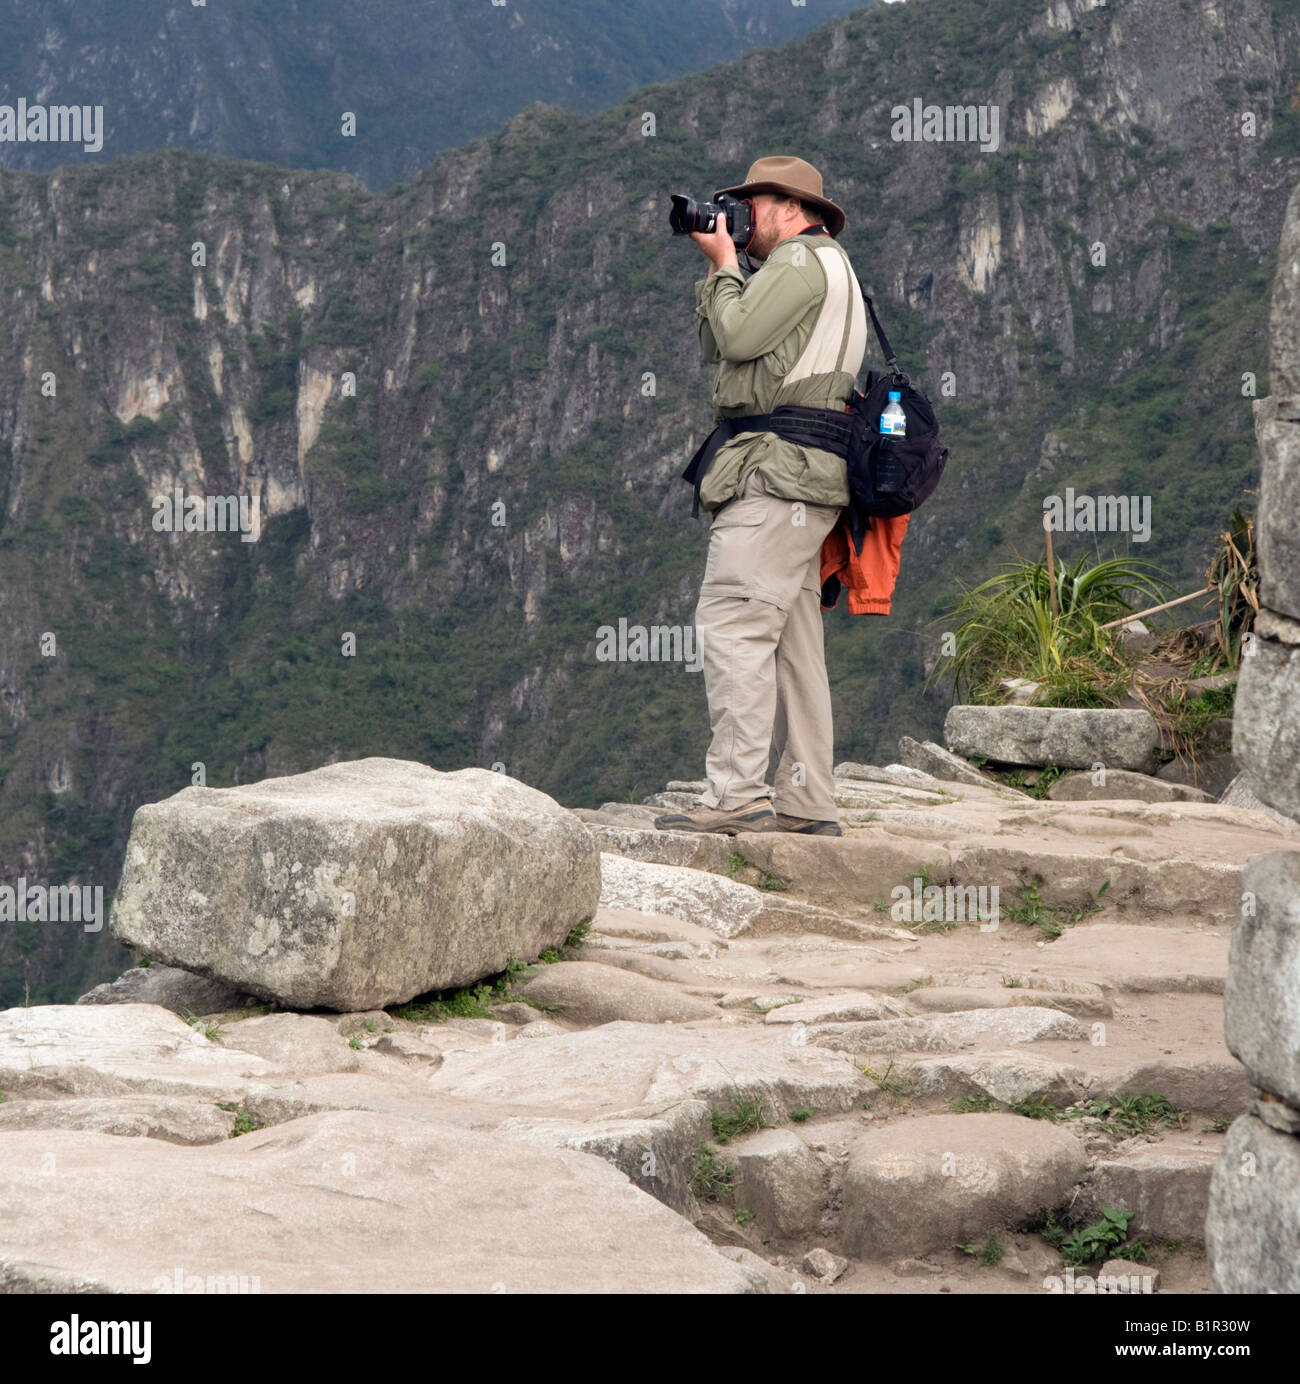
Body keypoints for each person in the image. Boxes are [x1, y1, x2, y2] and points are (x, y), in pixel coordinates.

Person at [656, 156, 867, 837]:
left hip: (775, 477)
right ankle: (808, 802)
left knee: (734, 621)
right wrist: (724, 270)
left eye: (756, 206)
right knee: (793, 644)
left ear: (791, 207)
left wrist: (723, 268)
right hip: (810, 482)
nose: (745, 219)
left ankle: (736, 793)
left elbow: (738, 336)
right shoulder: (831, 267)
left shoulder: (800, 265)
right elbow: (725, 347)